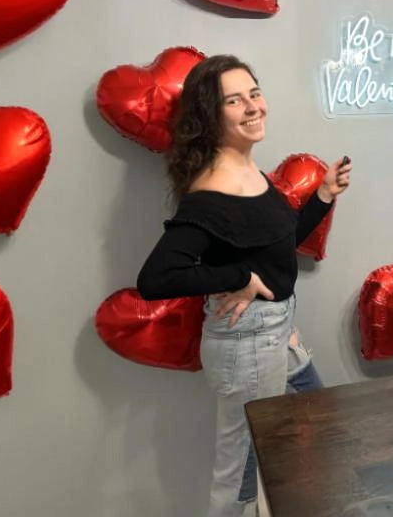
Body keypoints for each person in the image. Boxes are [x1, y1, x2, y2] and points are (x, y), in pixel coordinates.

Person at [136, 54, 352, 517]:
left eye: (254, 93)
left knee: (317, 422)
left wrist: (323, 195)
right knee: (239, 480)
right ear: (211, 116)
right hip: (249, 344)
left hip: (276, 333)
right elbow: (156, 279)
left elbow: (280, 244)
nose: (253, 106)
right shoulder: (213, 191)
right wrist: (237, 277)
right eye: (234, 100)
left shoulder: (250, 173)